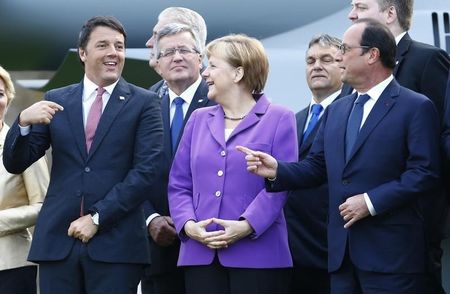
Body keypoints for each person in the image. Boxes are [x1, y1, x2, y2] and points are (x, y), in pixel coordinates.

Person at [239, 19, 441, 294]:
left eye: (345, 49)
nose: (338, 56)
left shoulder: (415, 106)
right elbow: (318, 166)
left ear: (372, 55)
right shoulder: (337, 111)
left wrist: (370, 202)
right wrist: (278, 170)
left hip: (393, 259)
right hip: (341, 258)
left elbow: (424, 172)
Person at [2, 16, 163, 294]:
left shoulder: (145, 103)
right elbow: (16, 162)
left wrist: (97, 218)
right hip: (58, 245)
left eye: (119, 46)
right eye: (103, 45)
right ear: (83, 53)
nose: (114, 52)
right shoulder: (57, 98)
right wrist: (23, 124)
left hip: (117, 247)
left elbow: (146, 172)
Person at [168, 34, 298, 294]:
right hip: (200, 253)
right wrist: (188, 225)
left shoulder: (280, 118)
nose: (205, 73)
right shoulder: (198, 118)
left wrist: (246, 225)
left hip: (258, 254)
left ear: (238, 73)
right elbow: (179, 183)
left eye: (213, 66)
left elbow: (280, 184)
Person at [348, 1, 450, 292]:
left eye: (360, 6)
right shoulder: (353, 70)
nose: (351, 13)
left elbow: (441, 140)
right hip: (359, 231)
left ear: (390, 13)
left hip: (411, 228)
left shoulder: (428, 60)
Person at [141, 23, 215, 294]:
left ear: (200, 58)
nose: (177, 57)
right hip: (157, 246)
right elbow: (130, 171)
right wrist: (149, 219)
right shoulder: (143, 105)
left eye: (185, 49)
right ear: (157, 64)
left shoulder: (220, 100)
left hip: (210, 242)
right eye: (168, 52)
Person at [285, 34, 344, 294]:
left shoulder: (352, 113)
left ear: (344, 66)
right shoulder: (293, 120)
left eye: (326, 59)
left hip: (330, 250)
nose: (316, 66)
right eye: (310, 60)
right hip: (290, 252)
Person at [0, 65, 49, 294]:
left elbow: (43, 207)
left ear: (8, 100)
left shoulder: (21, 145)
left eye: (0, 94)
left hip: (11, 267)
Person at [145, 7, 207, 97]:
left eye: (158, 36)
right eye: (169, 51)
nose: (148, 43)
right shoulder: (153, 93)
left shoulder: (218, 93)